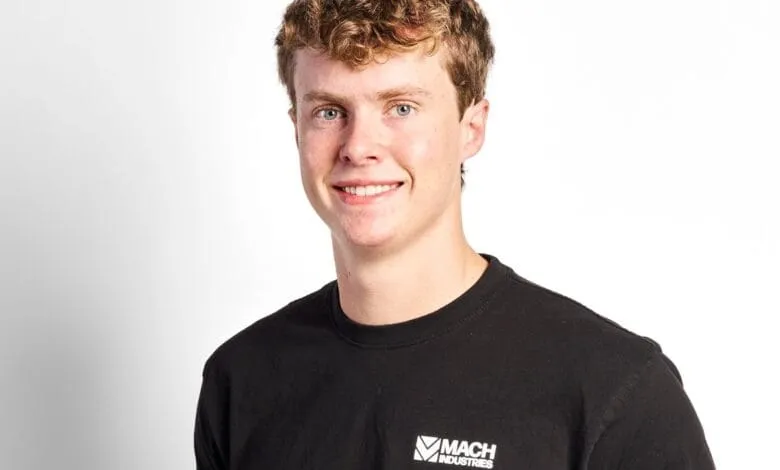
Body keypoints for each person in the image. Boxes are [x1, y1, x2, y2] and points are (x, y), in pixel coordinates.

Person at [194, 0, 716, 468]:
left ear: (472, 128)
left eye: (401, 107)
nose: (358, 147)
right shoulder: (241, 381)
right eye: (329, 112)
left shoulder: (613, 392)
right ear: (297, 129)